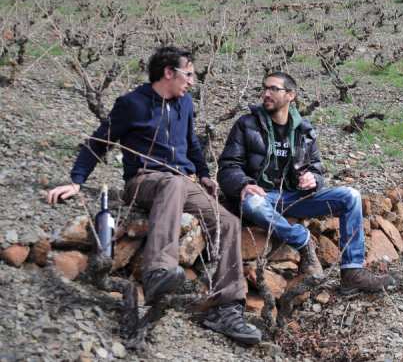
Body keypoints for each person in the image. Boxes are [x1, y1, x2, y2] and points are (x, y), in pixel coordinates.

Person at [47, 46, 261, 345]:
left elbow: (191, 144)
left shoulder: (185, 104)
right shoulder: (132, 104)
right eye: (188, 74)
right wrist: (76, 181)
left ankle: (226, 308)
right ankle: (158, 270)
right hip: (145, 179)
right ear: (168, 72)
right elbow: (99, 141)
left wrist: (202, 174)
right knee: (172, 183)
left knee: (228, 222)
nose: (191, 81)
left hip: (183, 182)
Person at [218, 71, 395, 294]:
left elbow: (317, 169)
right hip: (260, 197)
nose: (266, 94)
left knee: (350, 196)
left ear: (290, 95)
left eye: (274, 89)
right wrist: (243, 183)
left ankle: (352, 272)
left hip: (294, 197)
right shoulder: (246, 125)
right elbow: (227, 166)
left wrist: (313, 179)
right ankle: (302, 240)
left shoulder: (304, 130)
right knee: (252, 203)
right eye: (264, 88)